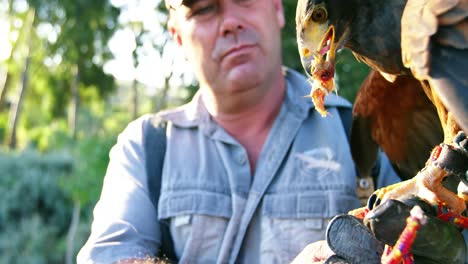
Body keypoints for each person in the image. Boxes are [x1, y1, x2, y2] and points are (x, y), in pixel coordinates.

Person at [77, 0, 401, 263]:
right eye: (202, 9)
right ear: (176, 34)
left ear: (277, 7)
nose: (230, 21)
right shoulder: (146, 146)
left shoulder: (367, 127)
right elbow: (113, 256)